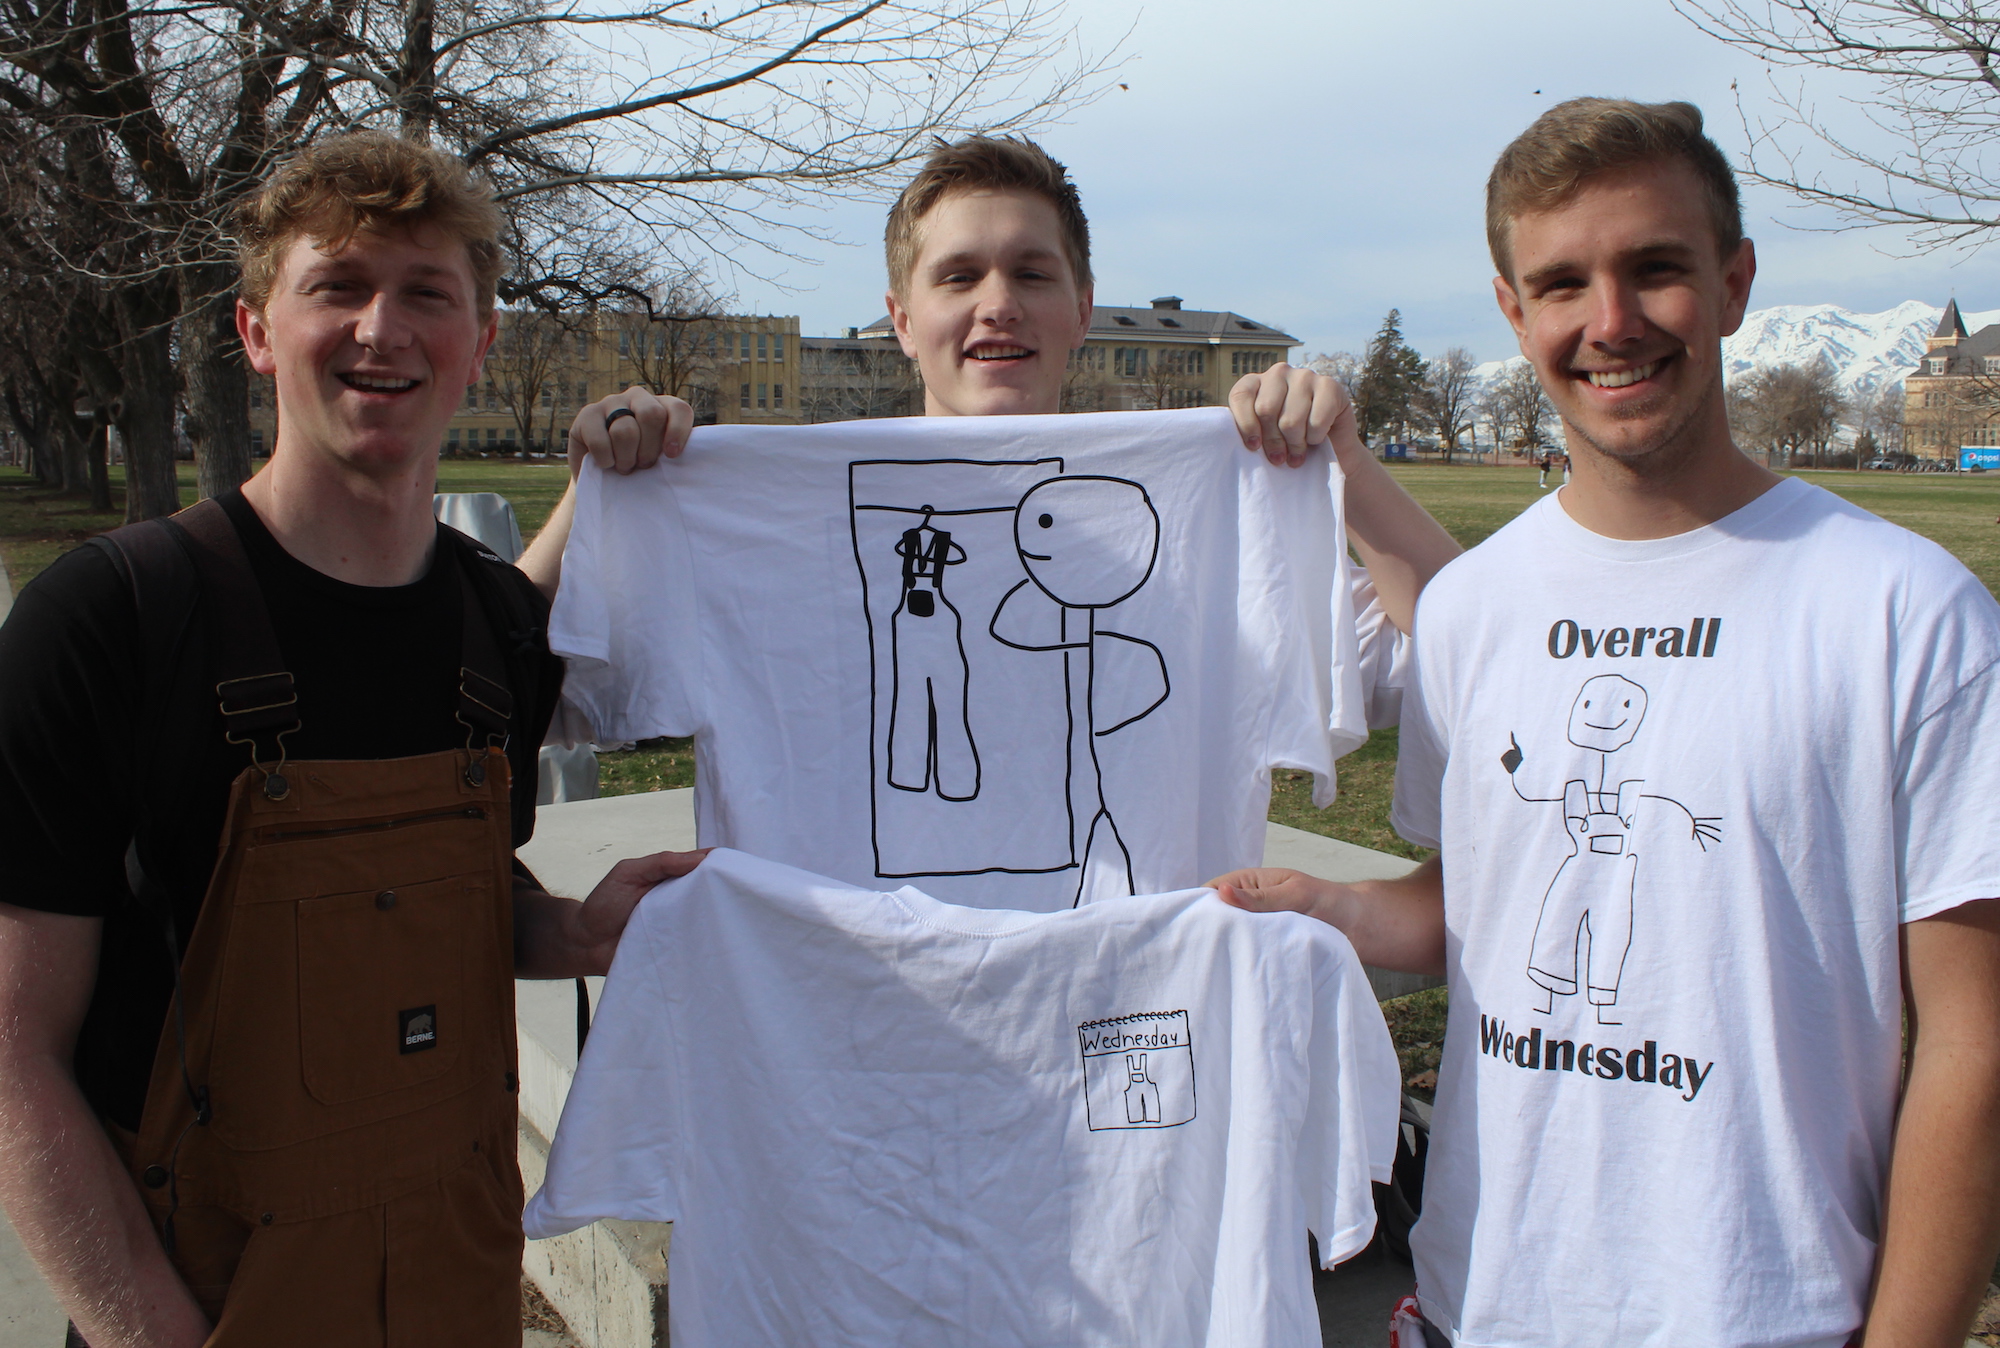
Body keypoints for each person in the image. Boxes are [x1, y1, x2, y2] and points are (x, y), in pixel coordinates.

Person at [1213, 98, 2000, 1347]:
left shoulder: (1904, 610)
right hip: (1479, 1305)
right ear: (1513, 311)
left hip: (1764, 1312)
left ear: (1733, 283)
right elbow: (1476, 894)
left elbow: (1975, 1037)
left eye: (1655, 269)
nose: (1611, 321)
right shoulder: (1471, 608)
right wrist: (1337, 909)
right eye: (1562, 283)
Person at [0, 132, 702, 1347]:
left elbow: (433, 902)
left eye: (427, 293)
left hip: (456, 1297)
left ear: (480, 344)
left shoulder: (496, 630)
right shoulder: (109, 621)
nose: (382, 328)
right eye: (337, 286)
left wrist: (571, 930)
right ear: (256, 331)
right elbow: (14, 1057)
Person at [531, 135, 1460, 640]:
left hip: (1126, 995)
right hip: (859, 997)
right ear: (899, 321)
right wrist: (595, 492)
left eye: (1033, 273)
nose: (998, 306)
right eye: (958, 276)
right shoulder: (761, 513)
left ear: (1085, 309)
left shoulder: (1211, 512)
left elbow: (1478, 649)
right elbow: (500, 675)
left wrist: (1347, 467)